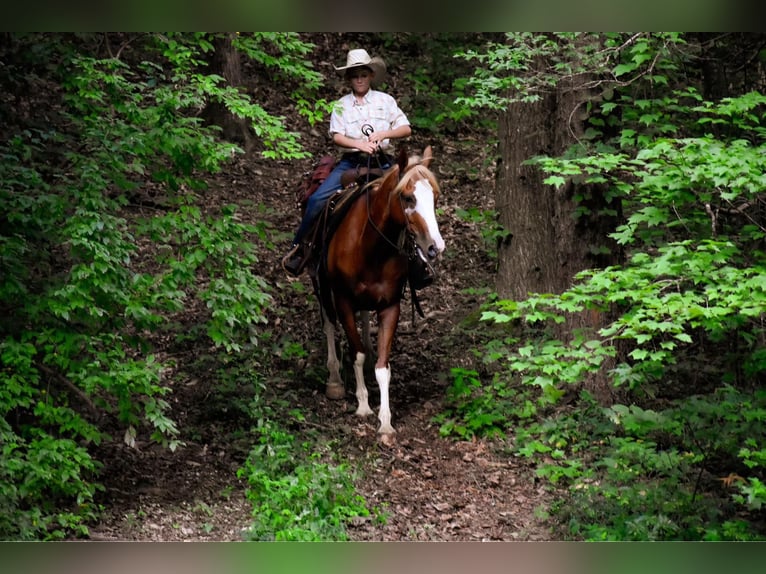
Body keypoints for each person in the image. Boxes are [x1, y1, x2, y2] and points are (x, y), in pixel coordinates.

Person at [282, 48, 412, 276]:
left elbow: (405, 128)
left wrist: (384, 134)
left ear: (371, 75)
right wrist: (359, 144)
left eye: (363, 74)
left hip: (382, 161)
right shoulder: (341, 105)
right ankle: (300, 249)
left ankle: (415, 259)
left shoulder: (386, 101)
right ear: (348, 79)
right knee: (316, 200)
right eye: (354, 75)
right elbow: (336, 136)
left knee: (409, 200)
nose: (359, 79)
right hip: (351, 162)